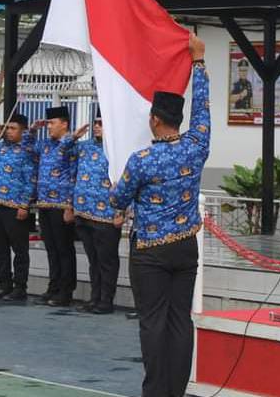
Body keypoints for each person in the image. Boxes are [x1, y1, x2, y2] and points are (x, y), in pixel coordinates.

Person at [111, 33, 209, 397]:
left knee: (152, 323)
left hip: (150, 251)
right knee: (180, 321)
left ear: (154, 120)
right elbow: (203, 111)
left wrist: (117, 198)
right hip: (185, 247)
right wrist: (198, 63)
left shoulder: (141, 160)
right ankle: (176, 390)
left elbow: (117, 198)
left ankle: (155, 391)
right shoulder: (196, 146)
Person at [30, 108, 87, 307]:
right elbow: (28, 148)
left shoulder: (72, 146)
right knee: (51, 249)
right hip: (44, 203)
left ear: (64, 124)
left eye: (52, 123)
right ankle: (53, 286)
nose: (49, 127)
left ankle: (65, 291)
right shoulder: (45, 145)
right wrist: (32, 131)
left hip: (61, 204)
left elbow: (74, 175)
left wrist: (70, 205)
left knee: (64, 249)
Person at [73, 111, 122, 314]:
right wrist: (74, 136)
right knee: (93, 260)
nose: (97, 126)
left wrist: (122, 211)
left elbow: (127, 181)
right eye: (96, 123)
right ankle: (95, 297)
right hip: (84, 211)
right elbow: (63, 151)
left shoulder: (118, 150)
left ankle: (106, 300)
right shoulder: (85, 147)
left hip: (106, 215)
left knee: (107, 260)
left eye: (101, 123)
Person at [0, 114, 35, 303]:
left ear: (22, 131)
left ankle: (20, 287)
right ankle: (4, 284)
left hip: (15, 207)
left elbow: (30, 180)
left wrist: (24, 205)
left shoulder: (26, 151)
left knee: (19, 250)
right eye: (7, 128)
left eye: (13, 128)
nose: (9, 131)